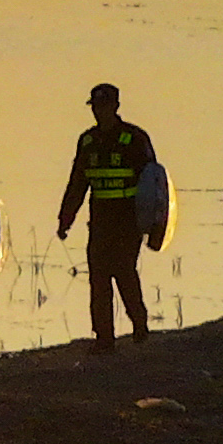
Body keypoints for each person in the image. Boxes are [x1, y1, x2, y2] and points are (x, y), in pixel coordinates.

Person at [57, 83, 164, 346]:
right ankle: (104, 337)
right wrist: (66, 217)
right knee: (98, 277)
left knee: (125, 272)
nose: (99, 112)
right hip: (100, 220)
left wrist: (155, 227)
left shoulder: (134, 139)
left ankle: (139, 324)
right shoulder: (88, 141)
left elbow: (154, 186)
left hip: (128, 221)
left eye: (104, 106)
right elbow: (78, 183)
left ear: (116, 106)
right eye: (95, 107)